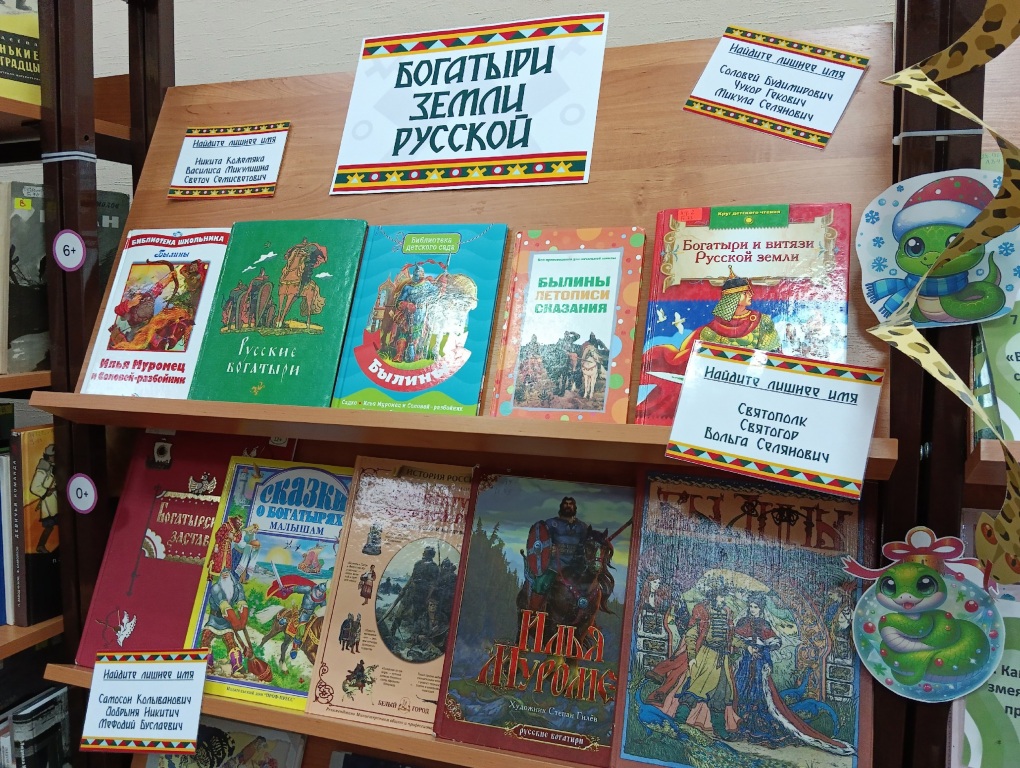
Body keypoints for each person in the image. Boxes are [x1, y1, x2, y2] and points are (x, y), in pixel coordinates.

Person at [636, 267, 782, 422]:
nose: (751, 295)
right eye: (745, 292)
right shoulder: (710, 331)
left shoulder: (762, 322)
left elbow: (773, 356)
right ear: (733, 297)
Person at [681, 584, 740, 738]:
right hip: (706, 656)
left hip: (722, 659)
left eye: (724, 596)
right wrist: (692, 657)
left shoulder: (728, 613)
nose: (723, 599)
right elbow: (691, 635)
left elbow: (732, 638)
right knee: (695, 689)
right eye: (720, 596)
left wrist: (746, 646)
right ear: (713, 597)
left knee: (721, 693)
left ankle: (719, 729)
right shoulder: (703, 612)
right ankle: (678, 721)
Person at [640, 574, 691, 716]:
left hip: (692, 643)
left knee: (680, 666)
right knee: (679, 663)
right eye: (654, 582)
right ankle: (658, 677)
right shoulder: (647, 598)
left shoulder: (668, 602)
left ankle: (659, 681)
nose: (657, 585)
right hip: (686, 640)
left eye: (658, 582)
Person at [530, 497, 591, 596]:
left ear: (574, 507)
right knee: (540, 585)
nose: (568, 506)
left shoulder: (582, 527)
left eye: (570, 504)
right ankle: (534, 605)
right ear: (562, 506)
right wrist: (548, 550)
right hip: (554, 563)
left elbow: (588, 544)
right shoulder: (551, 524)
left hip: (576, 565)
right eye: (566, 504)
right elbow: (538, 541)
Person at [30, 443, 57, 553]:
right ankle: (40, 546)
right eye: (53, 456)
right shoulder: (42, 470)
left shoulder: (53, 466)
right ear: (49, 456)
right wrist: (46, 492)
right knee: (49, 526)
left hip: (56, 500)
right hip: (49, 503)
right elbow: (34, 487)